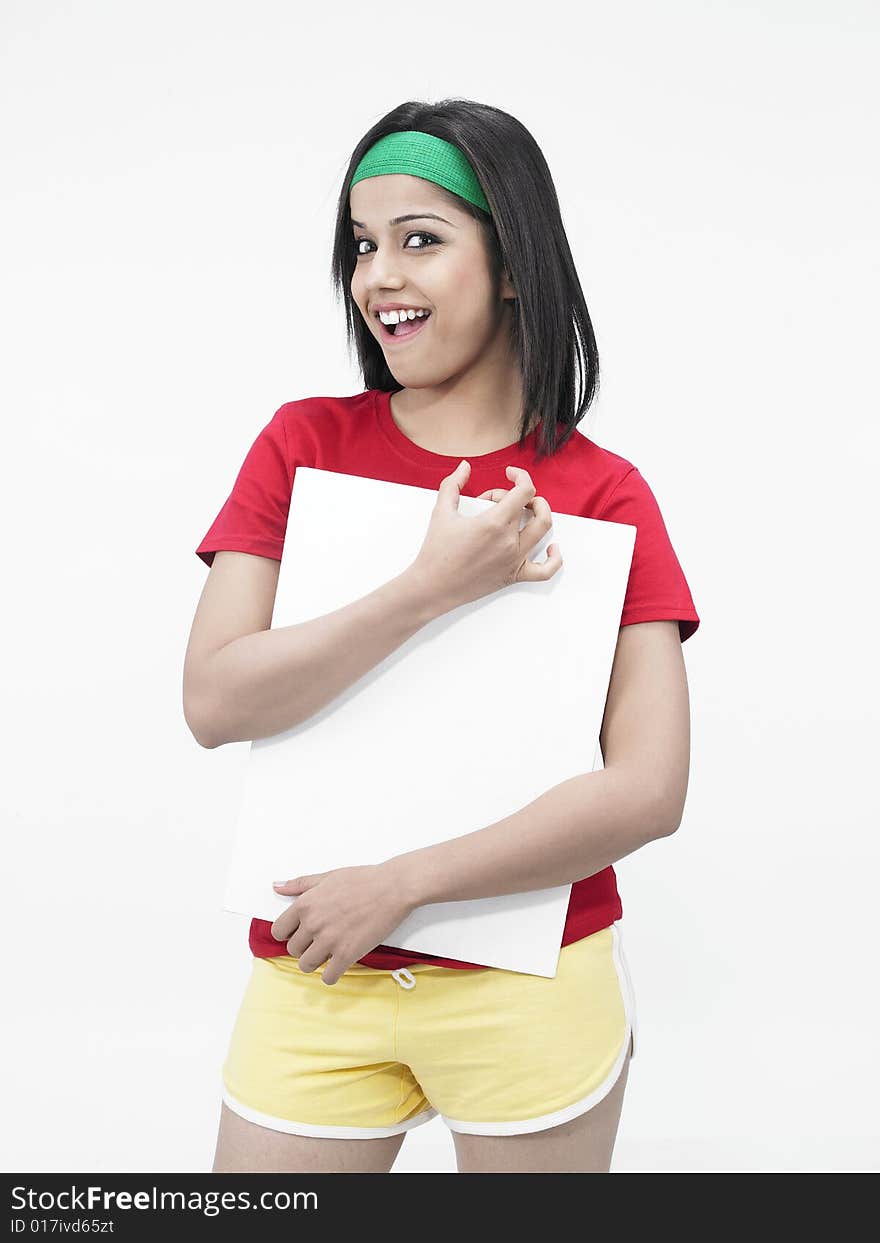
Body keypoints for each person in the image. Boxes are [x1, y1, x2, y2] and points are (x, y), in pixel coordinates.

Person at [184, 99, 700, 1174]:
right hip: (313, 977)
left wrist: (403, 880)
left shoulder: (607, 493)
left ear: (512, 262)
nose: (379, 278)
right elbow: (215, 699)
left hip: (531, 990)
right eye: (363, 247)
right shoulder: (302, 444)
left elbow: (647, 788)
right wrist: (428, 587)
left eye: (421, 239)